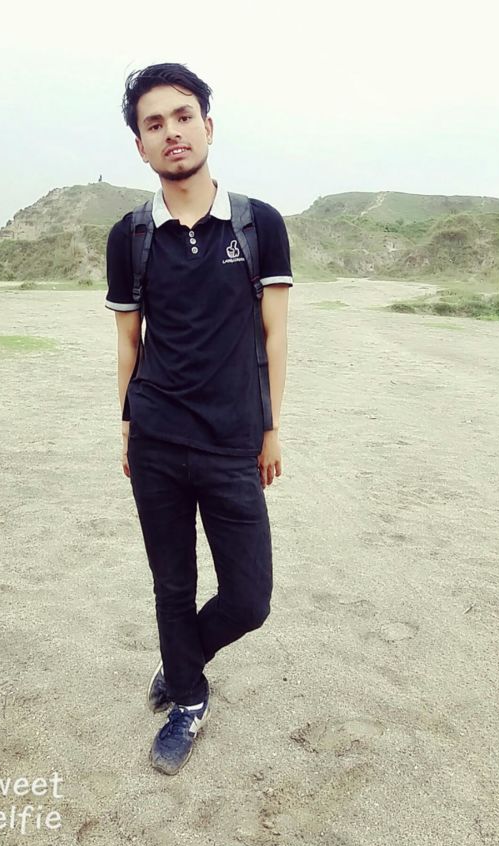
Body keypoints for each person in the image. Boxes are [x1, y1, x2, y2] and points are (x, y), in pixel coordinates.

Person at [105, 62, 292, 775]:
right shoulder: (130, 236)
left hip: (231, 442)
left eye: (183, 116)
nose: (172, 132)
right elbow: (128, 342)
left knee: (249, 598)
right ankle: (187, 697)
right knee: (172, 584)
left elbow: (275, 333)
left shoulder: (257, 224)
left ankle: (182, 657)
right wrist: (127, 426)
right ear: (141, 146)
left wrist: (271, 429)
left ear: (207, 126)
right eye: (154, 124)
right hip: (156, 439)